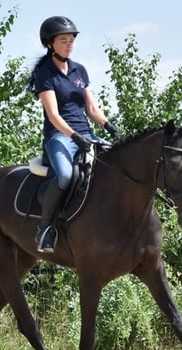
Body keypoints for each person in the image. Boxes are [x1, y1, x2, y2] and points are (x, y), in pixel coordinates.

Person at [27, 16, 121, 253]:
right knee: (66, 178)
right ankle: (45, 228)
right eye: (64, 41)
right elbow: (53, 116)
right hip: (59, 137)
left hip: (86, 133)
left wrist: (108, 125)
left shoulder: (80, 70)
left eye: (71, 41)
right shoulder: (45, 74)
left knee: (118, 165)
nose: (69, 45)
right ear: (50, 44)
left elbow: (91, 109)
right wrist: (73, 136)